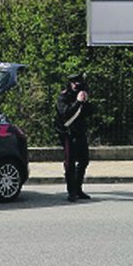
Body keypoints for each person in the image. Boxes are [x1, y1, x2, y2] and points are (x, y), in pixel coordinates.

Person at [55, 73, 92, 202]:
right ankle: (71, 192)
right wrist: (78, 102)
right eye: (73, 82)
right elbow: (65, 113)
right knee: (70, 164)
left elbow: (89, 113)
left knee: (84, 160)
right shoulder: (63, 97)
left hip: (80, 132)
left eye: (78, 82)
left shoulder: (82, 94)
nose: (76, 85)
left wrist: (86, 102)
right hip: (68, 134)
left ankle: (78, 189)